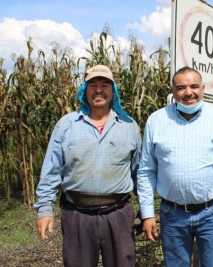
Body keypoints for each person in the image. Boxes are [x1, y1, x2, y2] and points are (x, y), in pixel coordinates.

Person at [34, 65, 142, 267]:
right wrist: (45, 210)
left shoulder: (129, 126)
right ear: (84, 90)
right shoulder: (67, 125)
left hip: (118, 214)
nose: (98, 89)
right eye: (93, 84)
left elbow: (139, 174)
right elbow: (51, 170)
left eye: (104, 85)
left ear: (113, 90)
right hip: (77, 215)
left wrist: (146, 212)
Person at [137, 66, 213, 267]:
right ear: (173, 90)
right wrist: (148, 213)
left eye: (194, 86)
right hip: (173, 214)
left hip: (212, 214)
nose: (188, 92)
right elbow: (146, 170)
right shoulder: (156, 121)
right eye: (181, 87)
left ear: (203, 88)